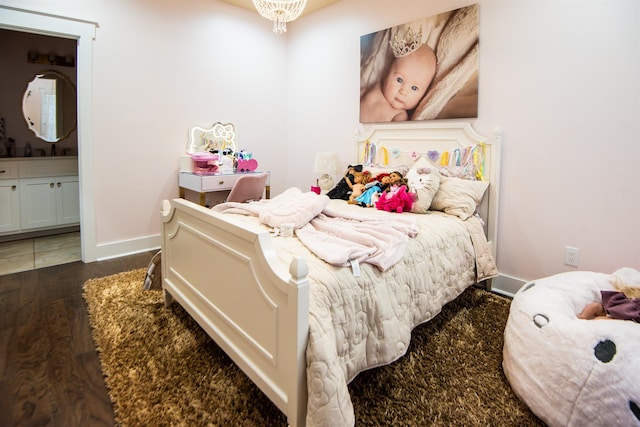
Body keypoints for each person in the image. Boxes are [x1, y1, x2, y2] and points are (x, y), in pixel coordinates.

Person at [360, 43, 437, 123]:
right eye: (399, 80)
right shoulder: (375, 88)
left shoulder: (400, 115)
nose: (403, 92)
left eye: (414, 88)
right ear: (387, 73)